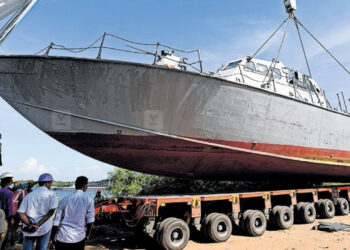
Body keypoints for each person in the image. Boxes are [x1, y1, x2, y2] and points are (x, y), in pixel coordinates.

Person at [51, 176, 95, 250]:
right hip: (79, 238)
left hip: (62, 237)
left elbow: (56, 222)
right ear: (85, 186)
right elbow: (90, 221)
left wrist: (52, 238)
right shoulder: (89, 200)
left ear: (75, 185)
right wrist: (87, 235)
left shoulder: (64, 200)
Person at [18, 173, 58, 250]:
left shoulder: (29, 195)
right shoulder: (52, 194)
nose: (51, 185)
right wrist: (38, 225)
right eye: (50, 183)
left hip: (29, 229)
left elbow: (21, 213)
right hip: (44, 228)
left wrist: (30, 224)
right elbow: (51, 211)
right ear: (47, 183)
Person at [0, 172, 15, 250]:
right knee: (3, 239)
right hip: (4, 219)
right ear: (9, 181)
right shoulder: (9, 193)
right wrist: (11, 219)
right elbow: (10, 207)